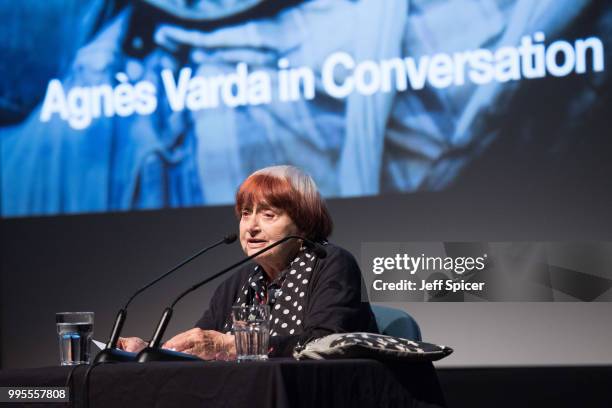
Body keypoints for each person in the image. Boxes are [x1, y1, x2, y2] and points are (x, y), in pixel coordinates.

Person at [118, 165, 378, 358]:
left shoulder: (332, 264)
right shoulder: (238, 284)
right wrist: (150, 350)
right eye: (245, 213)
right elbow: (199, 349)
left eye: (268, 214)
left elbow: (325, 343)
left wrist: (233, 345)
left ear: (304, 224)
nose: (251, 226)